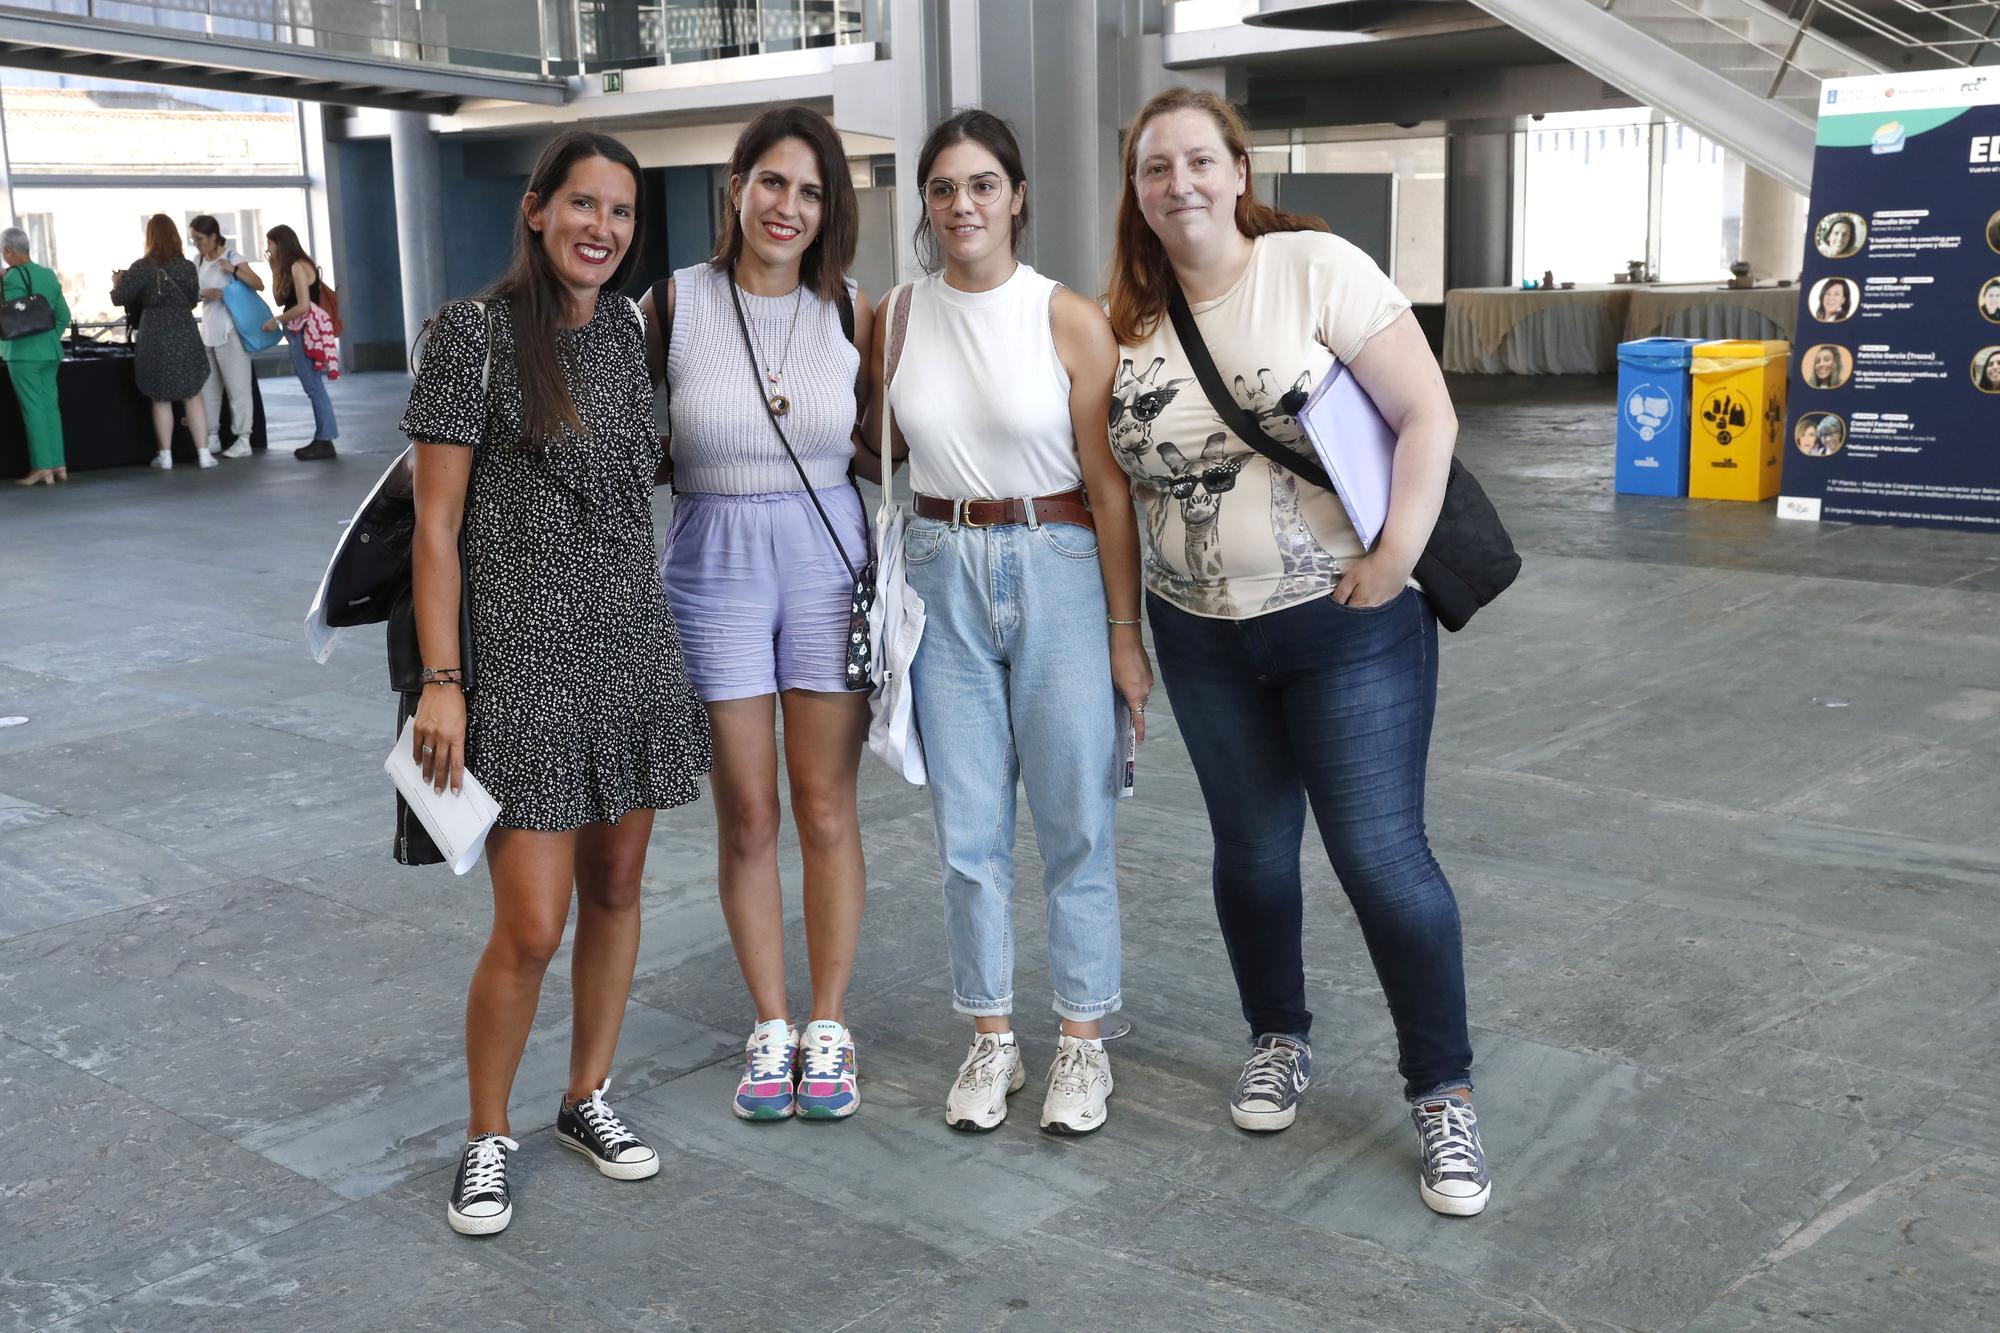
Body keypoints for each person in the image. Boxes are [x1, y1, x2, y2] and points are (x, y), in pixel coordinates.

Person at [1104, 87, 1490, 1217]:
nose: (1176, 185)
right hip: (1199, 634)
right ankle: (1276, 1035)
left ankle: (1441, 1091)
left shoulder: (1313, 267)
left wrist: (1397, 553)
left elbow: (1427, 414)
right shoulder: (1123, 316)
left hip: (1344, 625)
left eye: (1195, 162)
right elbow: (1112, 491)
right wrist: (1130, 629)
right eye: (1152, 169)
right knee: (1253, 856)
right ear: (1134, 190)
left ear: (1236, 169)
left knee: (1379, 858)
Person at [399, 130, 713, 1237]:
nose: (602, 229)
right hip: (521, 665)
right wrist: (444, 680)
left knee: (619, 892)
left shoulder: (627, 334)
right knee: (530, 925)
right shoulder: (471, 337)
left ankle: (587, 1095)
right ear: (535, 211)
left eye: (620, 213)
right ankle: (488, 1133)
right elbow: (434, 529)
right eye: (581, 205)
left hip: (631, 648)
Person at [870, 109, 1150, 1137]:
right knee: (968, 832)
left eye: (981, 185)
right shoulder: (895, 318)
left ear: (1017, 196)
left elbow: (1112, 492)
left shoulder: (1068, 319)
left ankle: (1081, 1042)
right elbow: (872, 448)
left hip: (1060, 562)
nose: (961, 206)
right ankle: (990, 1035)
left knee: (1077, 823)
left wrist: (1125, 632)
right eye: (942, 189)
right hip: (940, 564)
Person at [643, 106, 876, 1122]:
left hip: (828, 559)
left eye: (811, 190)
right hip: (713, 559)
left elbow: (885, 444)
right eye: (772, 182)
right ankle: (770, 1023)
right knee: (749, 811)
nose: (788, 206)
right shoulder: (670, 304)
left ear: (829, 211)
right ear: (735, 186)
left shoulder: (855, 311)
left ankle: (829, 1025)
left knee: (824, 805)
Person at [110, 213, 211, 470]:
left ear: (150, 237)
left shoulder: (142, 267)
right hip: (184, 329)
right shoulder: (187, 266)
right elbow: (191, 299)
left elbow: (119, 298)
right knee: (193, 394)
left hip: (154, 331)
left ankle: (165, 456)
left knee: (160, 396)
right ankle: (204, 453)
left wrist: (116, 282)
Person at [1, 226, 71, 486]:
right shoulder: (47, 275)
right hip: (50, 351)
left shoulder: (7, 279)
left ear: (8, 251)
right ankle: (59, 465)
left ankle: (41, 467)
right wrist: (50, 337)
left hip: (21, 353)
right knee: (50, 407)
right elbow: (64, 315)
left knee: (33, 409)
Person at [262, 224, 339, 460]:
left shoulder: (298, 266)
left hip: (304, 331)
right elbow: (279, 298)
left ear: (280, 243)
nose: (268, 248)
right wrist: (274, 268)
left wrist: (277, 320)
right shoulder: (295, 266)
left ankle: (325, 439)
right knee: (313, 387)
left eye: (270, 244)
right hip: (299, 330)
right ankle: (324, 438)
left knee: (314, 387)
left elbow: (303, 305)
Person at [190, 215, 262, 459]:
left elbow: (258, 283)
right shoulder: (197, 261)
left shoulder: (232, 256)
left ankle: (244, 438)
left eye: (200, 239)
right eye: (194, 239)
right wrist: (203, 294)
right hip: (208, 331)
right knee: (209, 390)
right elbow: (191, 293)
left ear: (213, 236)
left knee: (238, 388)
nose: (197, 243)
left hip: (231, 331)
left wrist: (233, 270)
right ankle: (212, 437)